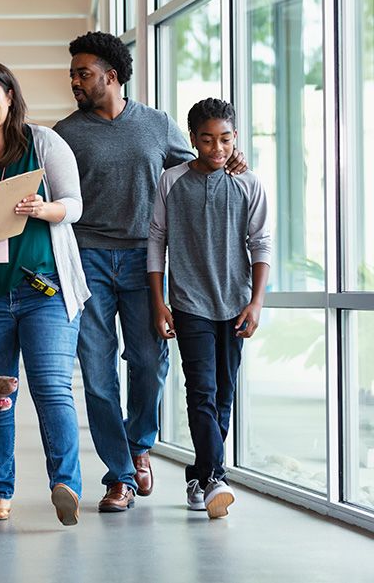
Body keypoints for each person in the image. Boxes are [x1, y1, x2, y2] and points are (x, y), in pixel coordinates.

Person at [53, 31, 247, 512]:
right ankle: (119, 475)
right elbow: (54, 195)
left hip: (146, 260)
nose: (74, 80)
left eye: (83, 72)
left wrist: (234, 160)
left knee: (148, 362)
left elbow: (198, 166)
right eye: (73, 73)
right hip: (87, 260)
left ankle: (140, 444)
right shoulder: (66, 133)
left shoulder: (157, 125)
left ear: (111, 76)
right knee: (97, 374)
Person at [0, 61, 91, 526]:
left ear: (9, 95)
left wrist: (42, 208)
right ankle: (0, 493)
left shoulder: (44, 143)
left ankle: (65, 485)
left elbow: (74, 205)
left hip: (44, 289)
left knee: (52, 388)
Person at [147, 98, 271, 518]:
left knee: (224, 393)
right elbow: (156, 240)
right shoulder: (171, 180)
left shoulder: (248, 183)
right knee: (201, 390)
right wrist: (159, 301)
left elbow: (261, 243)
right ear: (193, 139)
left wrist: (256, 301)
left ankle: (198, 475)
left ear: (235, 138)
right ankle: (217, 476)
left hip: (235, 302)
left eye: (225, 139)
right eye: (207, 139)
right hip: (189, 303)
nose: (217, 148)